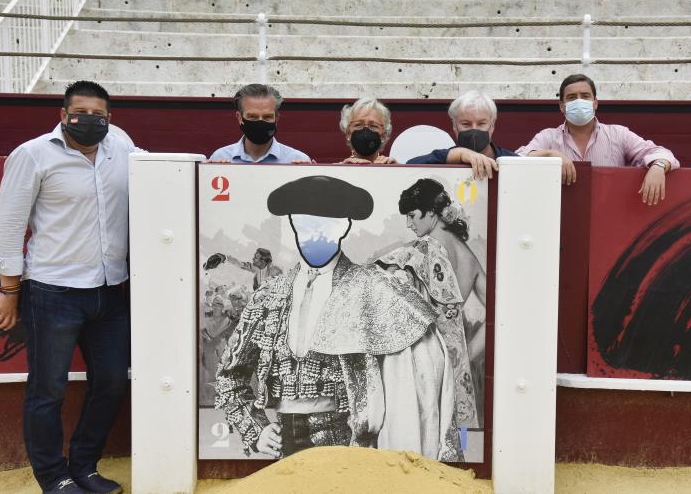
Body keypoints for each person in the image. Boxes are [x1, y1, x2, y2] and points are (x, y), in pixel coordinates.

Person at [215, 175, 462, 461]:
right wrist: (256, 430)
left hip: (349, 443)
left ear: (343, 226)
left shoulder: (374, 287)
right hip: (284, 442)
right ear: (293, 224)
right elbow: (229, 377)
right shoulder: (269, 295)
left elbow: (418, 371)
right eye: (307, 226)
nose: (315, 235)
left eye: (325, 226)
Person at [0, 81, 140, 494]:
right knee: (48, 389)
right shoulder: (33, 154)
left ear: (109, 118)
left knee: (113, 381)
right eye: (80, 112)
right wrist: (9, 290)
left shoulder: (122, 146)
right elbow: (8, 224)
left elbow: (158, 171)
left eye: (99, 114)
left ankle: (84, 466)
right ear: (63, 114)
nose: (89, 121)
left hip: (111, 290)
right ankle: (53, 476)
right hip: (52, 291)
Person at [376, 179, 487, 429]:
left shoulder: (420, 250)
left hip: (427, 363)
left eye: (413, 215)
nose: (409, 223)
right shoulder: (468, 256)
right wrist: (466, 352)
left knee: (423, 436)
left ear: (432, 213)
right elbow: (500, 314)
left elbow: (375, 285)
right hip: (459, 369)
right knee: (459, 442)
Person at [517, 74, 680, 205]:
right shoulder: (548, 137)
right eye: (572, 97)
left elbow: (661, 153)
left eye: (585, 96)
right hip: (560, 217)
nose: (579, 101)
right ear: (562, 106)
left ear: (595, 103)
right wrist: (550, 154)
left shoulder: (618, 134)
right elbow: (518, 158)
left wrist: (658, 167)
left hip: (610, 215)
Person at [407, 90, 517, 179]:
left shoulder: (513, 162)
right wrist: (457, 155)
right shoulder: (446, 159)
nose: (474, 130)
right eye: (466, 124)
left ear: (492, 126)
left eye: (481, 123)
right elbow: (408, 168)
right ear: (455, 127)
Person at [210, 83, 310, 164]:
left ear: (277, 119)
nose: (260, 122)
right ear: (239, 118)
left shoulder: (297, 160)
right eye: (252, 117)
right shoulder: (220, 158)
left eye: (267, 117)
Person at [337, 98, 398, 164]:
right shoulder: (333, 170)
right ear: (348, 133)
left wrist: (396, 169)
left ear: (384, 135)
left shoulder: (391, 168)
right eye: (358, 125)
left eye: (373, 126)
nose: (365, 131)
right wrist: (344, 169)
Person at [203, 247, 283, 290]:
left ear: (262, 261)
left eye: (255, 258)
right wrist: (224, 257)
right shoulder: (256, 267)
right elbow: (241, 264)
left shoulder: (274, 271)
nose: (252, 259)